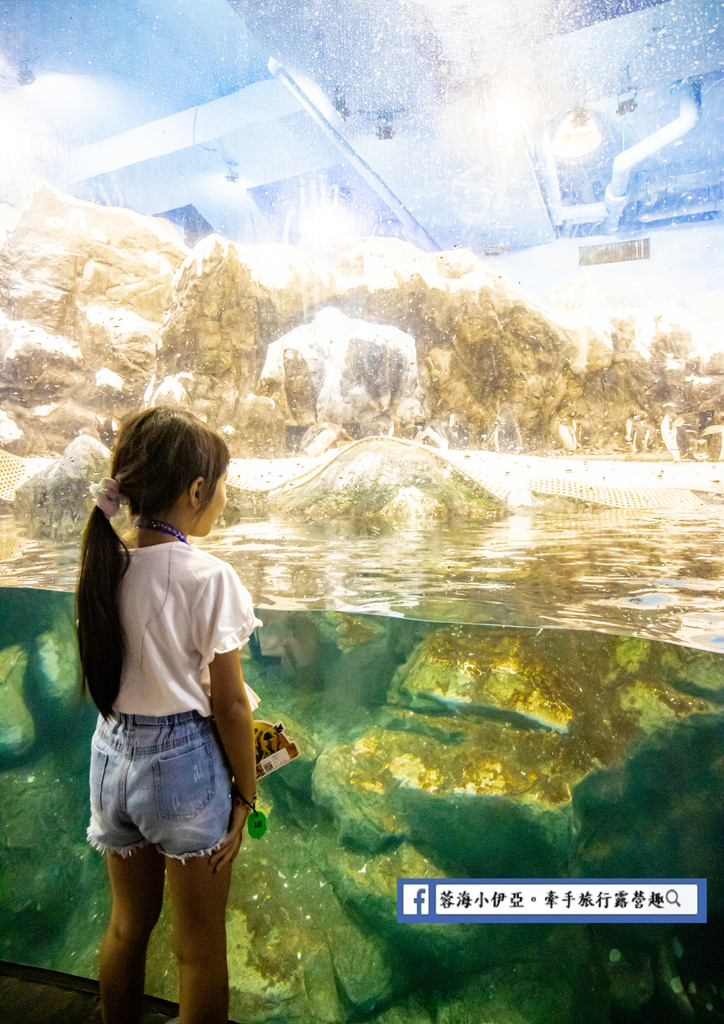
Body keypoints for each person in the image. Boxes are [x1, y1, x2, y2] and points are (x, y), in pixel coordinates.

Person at [77, 407, 261, 1024]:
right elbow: (229, 704)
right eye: (222, 487)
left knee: (128, 926)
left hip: (110, 756)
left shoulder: (107, 563)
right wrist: (247, 791)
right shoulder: (211, 578)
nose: (224, 500)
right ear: (197, 491)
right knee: (200, 949)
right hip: (182, 769)